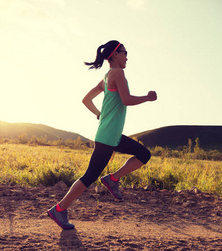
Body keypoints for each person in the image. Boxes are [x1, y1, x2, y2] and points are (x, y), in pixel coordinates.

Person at [48, 40, 158, 230]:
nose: (126, 57)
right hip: (109, 137)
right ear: (115, 54)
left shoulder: (107, 77)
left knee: (144, 155)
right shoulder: (118, 73)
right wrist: (147, 98)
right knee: (90, 176)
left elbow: (86, 99)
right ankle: (59, 209)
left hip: (110, 134)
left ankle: (112, 179)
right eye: (124, 53)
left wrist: (99, 114)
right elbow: (126, 100)